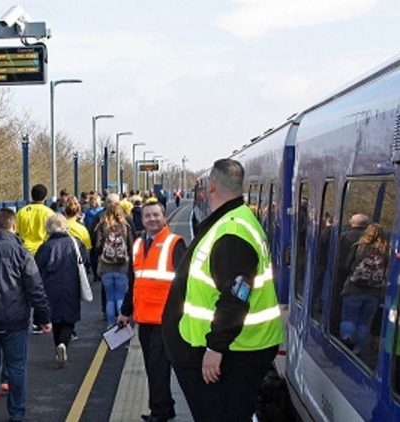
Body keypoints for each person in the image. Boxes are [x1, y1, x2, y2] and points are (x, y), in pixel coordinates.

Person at [162, 158, 284, 422]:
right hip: (234, 349)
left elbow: (236, 296)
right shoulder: (237, 220)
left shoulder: (232, 232)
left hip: (234, 353)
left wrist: (215, 349)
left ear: (213, 186)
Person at [0, 208, 52, 422]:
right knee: (16, 367)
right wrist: (43, 317)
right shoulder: (20, 252)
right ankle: (16, 413)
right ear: (13, 226)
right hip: (14, 319)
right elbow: (35, 286)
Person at [118, 199, 186, 422]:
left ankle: (160, 413)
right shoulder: (138, 244)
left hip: (165, 320)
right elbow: (133, 281)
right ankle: (166, 407)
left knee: (158, 368)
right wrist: (125, 312)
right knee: (151, 367)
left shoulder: (175, 243)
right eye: (147, 216)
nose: (152, 219)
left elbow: (184, 284)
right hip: (144, 319)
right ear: (142, 219)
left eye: (156, 215)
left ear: (164, 216)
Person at [35, 214, 88, 368]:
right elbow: (84, 260)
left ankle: (58, 345)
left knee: (55, 319)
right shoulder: (75, 243)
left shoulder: (45, 247)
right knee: (69, 319)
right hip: (71, 284)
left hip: (50, 286)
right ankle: (64, 344)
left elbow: (37, 267)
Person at [340, 223, 388, 354]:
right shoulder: (385, 251)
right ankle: (357, 348)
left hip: (354, 288)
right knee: (363, 321)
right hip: (374, 292)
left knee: (349, 317)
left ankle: (346, 340)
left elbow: (347, 265)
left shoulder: (359, 247)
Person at [95, 202, 134, 327]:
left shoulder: (103, 226)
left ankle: (110, 324)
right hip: (123, 266)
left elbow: (97, 247)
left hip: (106, 266)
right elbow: (131, 245)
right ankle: (122, 322)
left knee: (110, 298)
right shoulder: (125, 226)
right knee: (120, 296)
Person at [16, 184, 55, 255]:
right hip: (42, 250)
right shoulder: (50, 213)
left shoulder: (21, 211)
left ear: (32, 196)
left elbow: (16, 232)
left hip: (25, 250)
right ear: (45, 197)